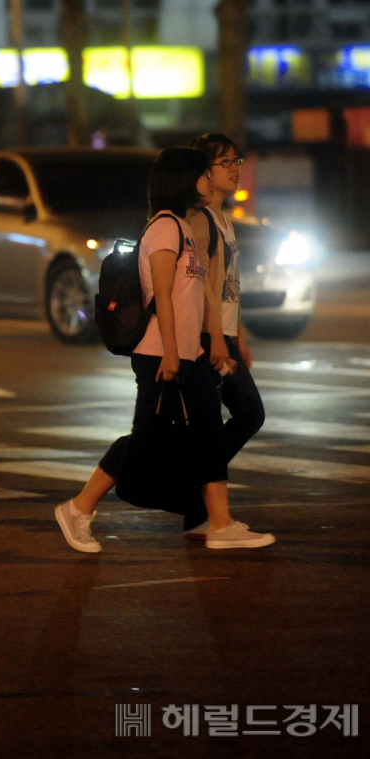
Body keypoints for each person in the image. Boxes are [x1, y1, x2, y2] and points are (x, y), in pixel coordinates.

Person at [53, 148, 275, 553]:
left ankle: (218, 523)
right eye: (202, 176)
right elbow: (165, 298)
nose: (209, 181)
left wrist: (215, 343)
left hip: (189, 355)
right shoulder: (163, 229)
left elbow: (199, 295)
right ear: (182, 180)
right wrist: (172, 353)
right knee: (145, 441)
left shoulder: (186, 228)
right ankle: (78, 508)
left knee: (208, 435)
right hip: (160, 356)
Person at [189, 133, 264, 487]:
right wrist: (218, 339)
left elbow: (229, 288)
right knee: (240, 416)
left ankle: (198, 498)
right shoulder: (199, 218)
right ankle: (199, 499)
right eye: (225, 162)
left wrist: (240, 337)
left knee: (245, 415)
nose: (235, 168)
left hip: (226, 336)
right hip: (208, 336)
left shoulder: (222, 217)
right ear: (204, 169)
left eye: (237, 160)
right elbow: (203, 285)